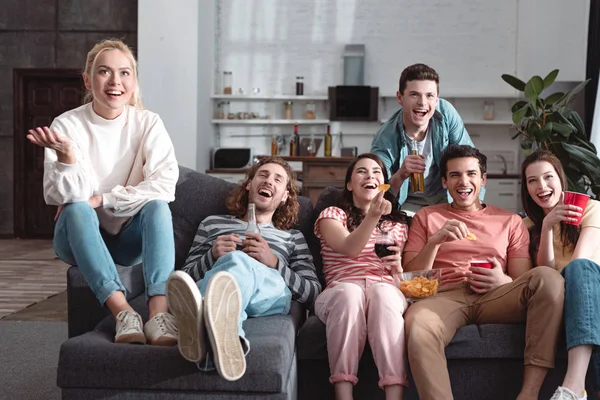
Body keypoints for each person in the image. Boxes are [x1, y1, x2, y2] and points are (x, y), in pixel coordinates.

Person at [26, 39, 179, 346]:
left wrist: (102, 199)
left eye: (124, 73)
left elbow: (165, 185)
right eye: (104, 72)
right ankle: (123, 313)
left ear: (133, 81)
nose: (115, 82)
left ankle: (159, 315)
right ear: (87, 79)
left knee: (158, 206)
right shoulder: (67, 125)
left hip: (127, 239)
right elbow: (59, 197)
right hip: (77, 236)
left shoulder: (148, 123)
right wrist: (68, 156)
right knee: (76, 209)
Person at [402, 144, 565, 400]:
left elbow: (523, 278)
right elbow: (411, 277)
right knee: (419, 323)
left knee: (549, 278)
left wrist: (504, 281)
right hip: (444, 297)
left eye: (471, 174)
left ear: (483, 179)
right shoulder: (426, 217)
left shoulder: (510, 221)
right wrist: (435, 241)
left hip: (496, 296)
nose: (463, 181)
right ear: (444, 181)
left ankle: (529, 394)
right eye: (454, 175)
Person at [165, 156, 321, 381]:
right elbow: (185, 278)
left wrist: (274, 262)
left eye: (278, 179)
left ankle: (197, 317)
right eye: (263, 175)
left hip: (269, 293)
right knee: (235, 263)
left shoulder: (292, 237)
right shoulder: (212, 223)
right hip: (218, 285)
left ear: (285, 196)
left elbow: (313, 292)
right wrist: (211, 256)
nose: (269, 181)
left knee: (239, 261)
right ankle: (226, 339)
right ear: (249, 184)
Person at [314, 153, 410, 400]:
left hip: (385, 288)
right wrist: (373, 216)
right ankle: (343, 395)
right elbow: (349, 248)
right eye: (361, 171)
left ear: (384, 184)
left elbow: (409, 278)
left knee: (382, 292)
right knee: (350, 293)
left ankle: (394, 395)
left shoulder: (399, 224)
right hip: (340, 289)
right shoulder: (332, 215)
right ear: (349, 184)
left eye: (377, 172)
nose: (370, 176)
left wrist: (399, 268)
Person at [521, 150, 600, 400]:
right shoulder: (527, 227)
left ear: (560, 179)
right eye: (532, 180)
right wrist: (546, 227)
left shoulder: (591, 209)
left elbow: (580, 263)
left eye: (548, 177)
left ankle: (574, 387)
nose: (541, 186)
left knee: (578, 270)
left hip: (592, 288)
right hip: (565, 300)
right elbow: (547, 275)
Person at [370, 63, 483, 215]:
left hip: (446, 197)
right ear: (400, 97)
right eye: (414, 94)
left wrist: (475, 208)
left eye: (429, 95)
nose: (422, 103)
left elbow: (471, 159)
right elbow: (376, 191)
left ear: (436, 100)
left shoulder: (446, 114)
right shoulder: (385, 138)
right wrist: (400, 174)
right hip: (408, 203)